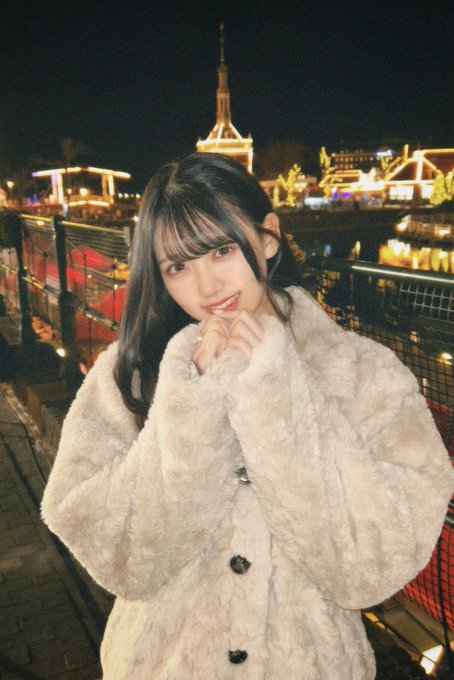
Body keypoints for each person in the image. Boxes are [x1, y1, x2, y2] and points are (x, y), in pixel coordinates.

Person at [41, 153, 454, 679]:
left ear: (268, 238)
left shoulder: (363, 372)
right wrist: (192, 404)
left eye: (221, 250)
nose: (207, 287)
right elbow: (118, 557)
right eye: (177, 267)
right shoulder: (132, 372)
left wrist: (277, 394)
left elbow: (371, 568)